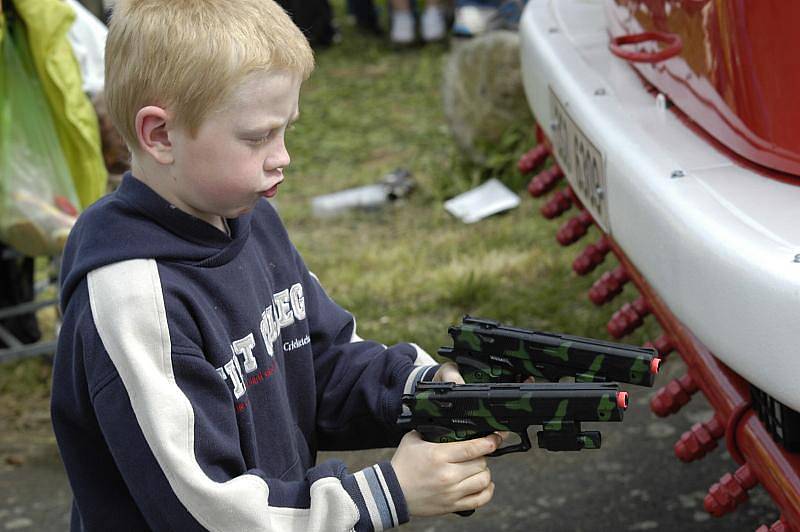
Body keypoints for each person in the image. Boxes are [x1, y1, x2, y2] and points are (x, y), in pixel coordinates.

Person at [50, 1, 501, 530]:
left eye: (286, 129)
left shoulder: (253, 220)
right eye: (257, 137)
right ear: (160, 136)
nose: (281, 156)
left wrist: (424, 391)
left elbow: (321, 360)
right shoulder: (133, 297)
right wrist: (386, 493)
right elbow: (205, 511)